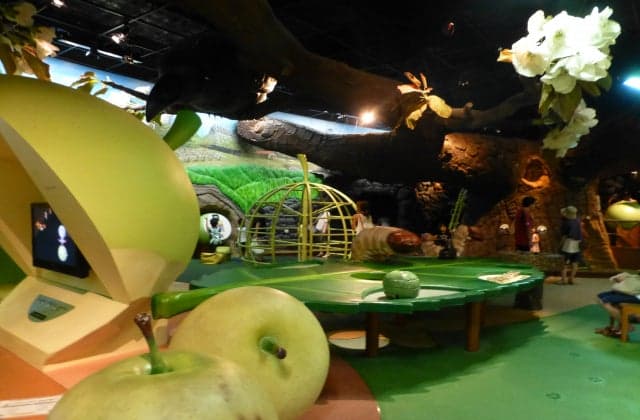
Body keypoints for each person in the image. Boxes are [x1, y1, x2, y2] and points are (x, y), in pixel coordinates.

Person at [595, 271, 640, 338]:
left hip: (637, 295)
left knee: (605, 301)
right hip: (631, 291)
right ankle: (614, 327)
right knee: (600, 296)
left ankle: (627, 325)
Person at [558, 206, 582, 285]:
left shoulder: (566, 223)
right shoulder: (577, 221)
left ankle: (563, 280)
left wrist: (560, 245)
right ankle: (571, 279)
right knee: (575, 262)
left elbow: (564, 236)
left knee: (564, 263)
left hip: (568, 244)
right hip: (577, 243)